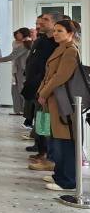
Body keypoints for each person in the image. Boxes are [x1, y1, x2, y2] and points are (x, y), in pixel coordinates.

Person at [37, 19, 81, 192]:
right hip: (53, 100)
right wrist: (42, 92)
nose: (55, 33)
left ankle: (67, 181)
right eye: (55, 30)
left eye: (60, 31)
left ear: (70, 33)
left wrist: (44, 92)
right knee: (56, 141)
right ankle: (59, 174)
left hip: (62, 103)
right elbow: (49, 74)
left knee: (64, 142)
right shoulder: (60, 48)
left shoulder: (71, 51)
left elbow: (60, 77)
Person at [22, 14, 60, 169]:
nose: (40, 24)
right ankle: (42, 151)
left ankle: (48, 157)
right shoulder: (41, 40)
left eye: (45, 20)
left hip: (46, 90)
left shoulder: (58, 44)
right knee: (40, 121)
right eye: (39, 21)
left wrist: (44, 89)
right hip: (35, 88)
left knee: (46, 123)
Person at [0, 28, 32, 116]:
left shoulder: (26, 44)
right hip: (16, 70)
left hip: (22, 70)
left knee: (22, 91)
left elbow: (12, 56)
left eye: (19, 34)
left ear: (24, 34)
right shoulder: (17, 43)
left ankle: (25, 111)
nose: (17, 35)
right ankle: (17, 110)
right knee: (14, 91)